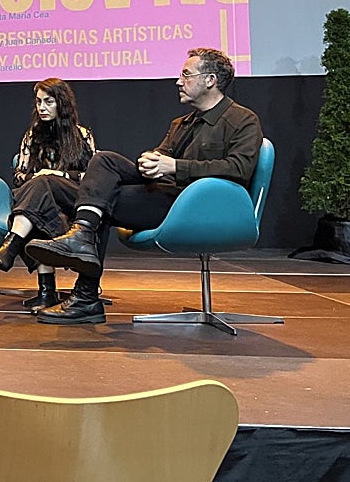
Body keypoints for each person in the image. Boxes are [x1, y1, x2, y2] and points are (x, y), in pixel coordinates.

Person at [25, 47, 263, 325]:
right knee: (104, 161)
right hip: (163, 194)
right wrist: (151, 161)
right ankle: (82, 236)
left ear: (210, 80)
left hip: (196, 206)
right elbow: (162, 157)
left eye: (186, 74)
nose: (178, 81)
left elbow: (238, 169)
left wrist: (174, 167)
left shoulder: (242, 120)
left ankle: (86, 292)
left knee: (101, 204)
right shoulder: (181, 123)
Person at [0, 78, 96, 308]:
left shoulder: (82, 135)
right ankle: (47, 293)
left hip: (70, 199)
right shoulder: (32, 136)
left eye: (48, 101)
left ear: (61, 103)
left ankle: (12, 244)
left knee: (44, 184)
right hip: (41, 204)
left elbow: (95, 178)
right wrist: (38, 178)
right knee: (39, 204)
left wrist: (58, 177)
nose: (41, 107)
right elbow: (19, 175)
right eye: (38, 102)